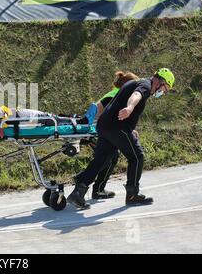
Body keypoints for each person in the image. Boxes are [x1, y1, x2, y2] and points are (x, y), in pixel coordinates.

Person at [67, 68, 175, 209]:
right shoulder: (146, 85)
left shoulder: (138, 82)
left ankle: (78, 192)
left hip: (105, 125)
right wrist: (130, 108)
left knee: (102, 159)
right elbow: (136, 95)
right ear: (159, 81)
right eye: (165, 88)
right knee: (137, 156)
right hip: (118, 126)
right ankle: (132, 195)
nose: (164, 92)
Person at [83, 71, 139, 199]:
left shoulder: (115, 92)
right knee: (110, 157)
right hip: (97, 129)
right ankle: (93, 186)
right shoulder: (118, 95)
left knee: (107, 157)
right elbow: (113, 117)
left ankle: (91, 185)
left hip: (95, 127)